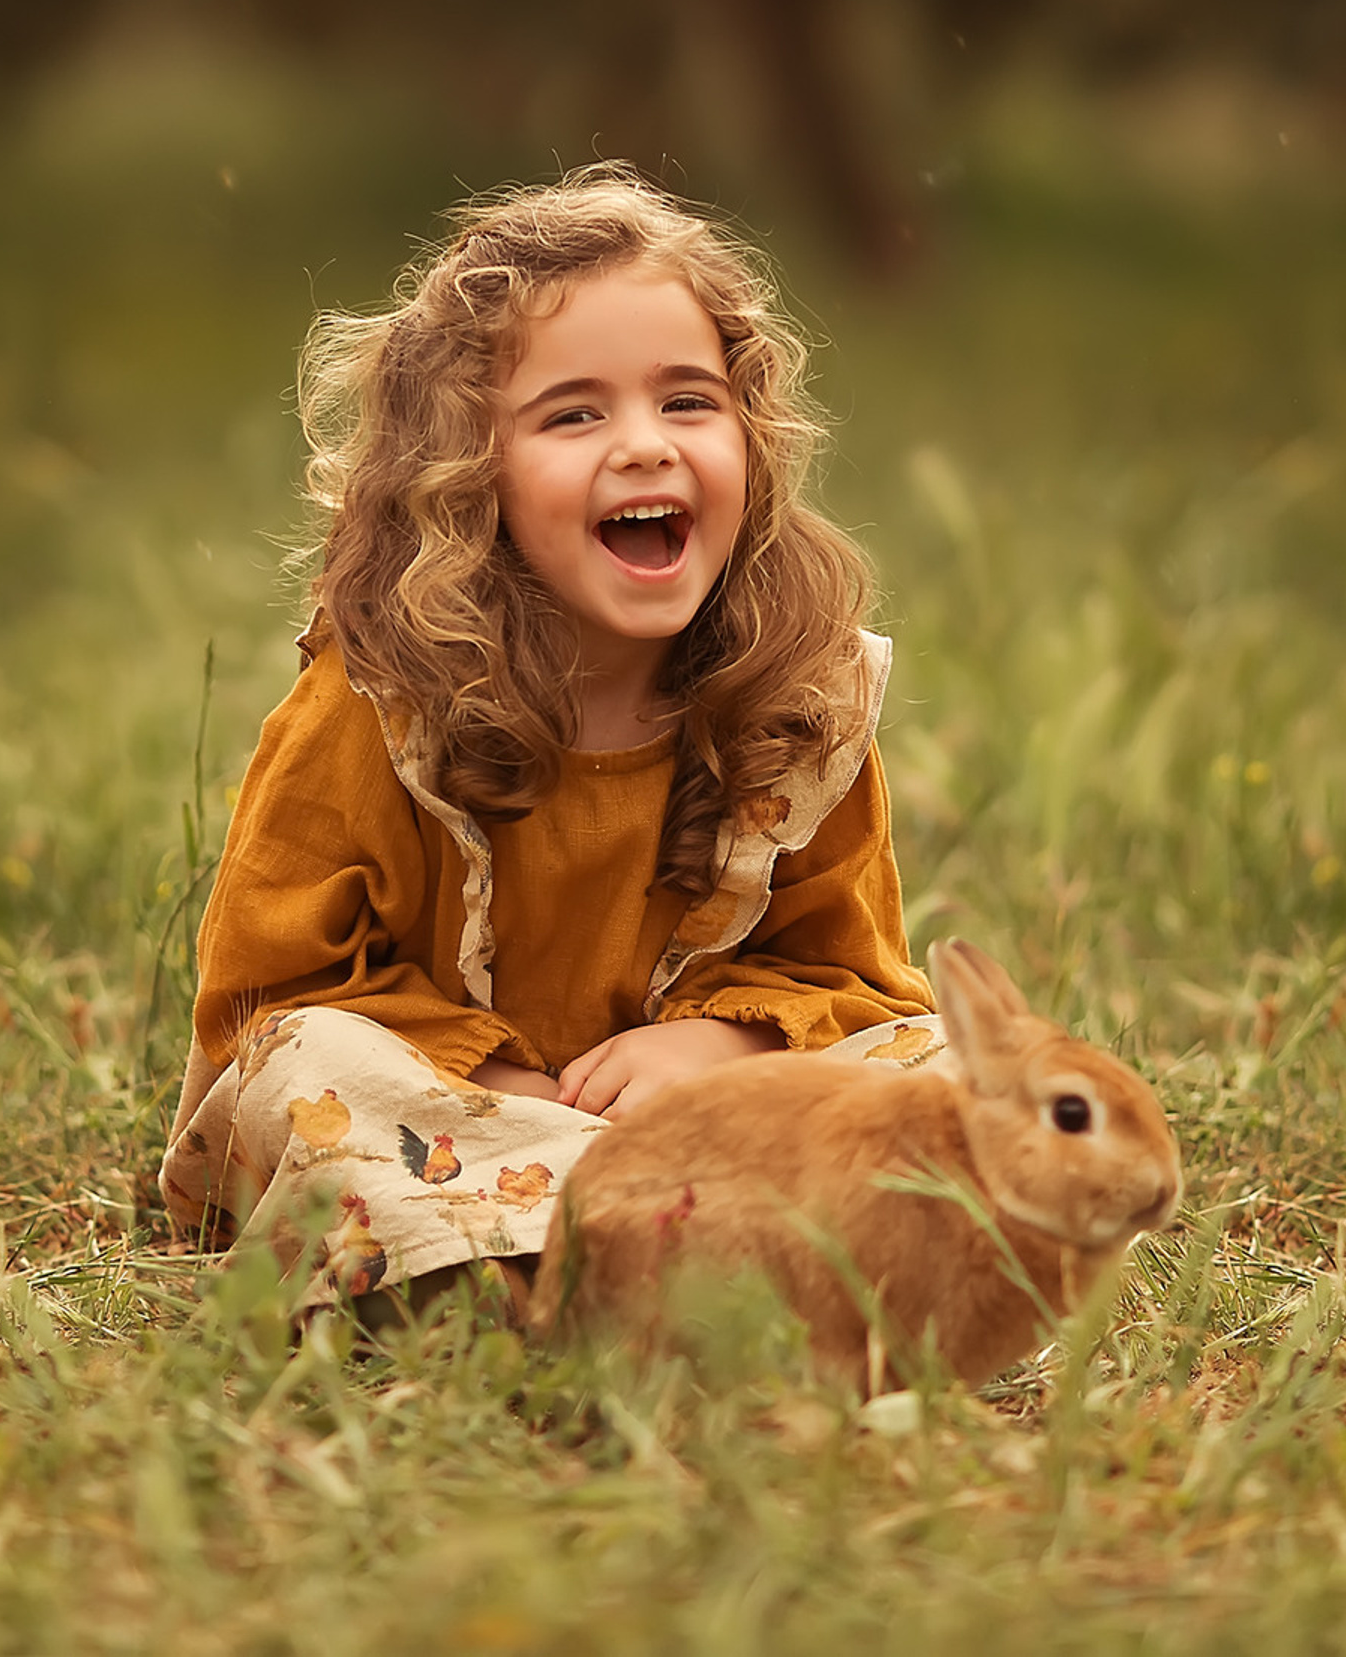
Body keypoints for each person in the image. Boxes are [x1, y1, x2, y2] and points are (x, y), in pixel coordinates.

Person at [156, 166, 942, 1305]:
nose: (644, 446)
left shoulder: (795, 698)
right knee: (315, 1069)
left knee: (939, 1075)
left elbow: (853, 977)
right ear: (468, 474)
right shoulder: (381, 700)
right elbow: (267, 992)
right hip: (439, 1120)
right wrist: (505, 1083)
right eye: (574, 413)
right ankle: (576, 1267)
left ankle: (663, 1257)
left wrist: (718, 1051)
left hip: (698, 1124)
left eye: (687, 401)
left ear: (751, 436)